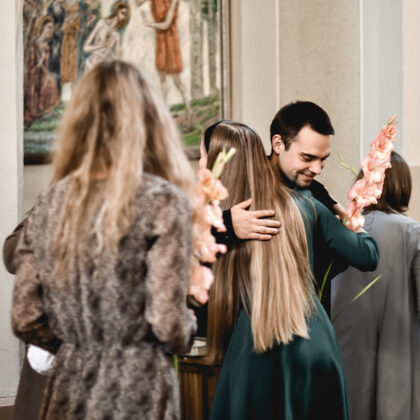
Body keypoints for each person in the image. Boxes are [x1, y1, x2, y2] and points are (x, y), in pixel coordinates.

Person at [11, 60, 199, 420]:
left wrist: (76, 343)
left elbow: (25, 316)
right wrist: (187, 326)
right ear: (148, 120)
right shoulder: (161, 200)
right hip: (138, 388)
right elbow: (168, 323)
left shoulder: (51, 202)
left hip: (70, 385)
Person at [202, 121, 379, 420]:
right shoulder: (308, 202)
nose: (316, 169)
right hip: (314, 337)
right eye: (309, 158)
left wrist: (226, 224)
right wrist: (349, 219)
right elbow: (366, 255)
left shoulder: (222, 219)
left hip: (258, 339)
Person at [215, 102, 348, 315]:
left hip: (304, 315)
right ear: (278, 144)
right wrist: (228, 224)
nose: (317, 169)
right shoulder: (244, 184)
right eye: (308, 157)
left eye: (323, 160)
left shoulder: (316, 192)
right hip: (248, 316)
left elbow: (329, 266)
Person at [332, 151, 420, 420]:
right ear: (402, 186)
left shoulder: (341, 230)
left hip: (344, 352)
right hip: (397, 354)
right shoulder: (412, 232)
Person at [24, 15, 59, 124]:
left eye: (51, 28)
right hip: (33, 73)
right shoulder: (34, 44)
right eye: (48, 27)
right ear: (42, 27)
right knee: (49, 80)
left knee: (51, 79)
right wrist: (41, 60)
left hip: (41, 72)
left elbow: (45, 65)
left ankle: (46, 111)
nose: (50, 30)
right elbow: (31, 65)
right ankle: (37, 111)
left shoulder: (47, 46)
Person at [83, 1, 130, 71]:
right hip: (91, 63)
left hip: (102, 68)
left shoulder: (117, 35)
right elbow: (85, 48)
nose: (123, 17)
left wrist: (109, 51)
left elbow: (117, 60)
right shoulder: (101, 23)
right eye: (122, 13)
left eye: (126, 15)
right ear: (117, 10)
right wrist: (100, 46)